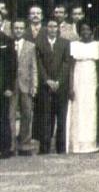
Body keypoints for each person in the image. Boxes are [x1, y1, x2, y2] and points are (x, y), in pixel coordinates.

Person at [36, 20, 70, 154]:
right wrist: (47, 80)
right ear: (46, 28)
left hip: (61, 87)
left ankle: (61, 148)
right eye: (49, 26)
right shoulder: (39, 43)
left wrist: (58, 81)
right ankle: (44, 148)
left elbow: (66, 64)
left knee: (61, 118)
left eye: (54, 26)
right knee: (46, 118)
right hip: (45, 86)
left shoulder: (65, 43)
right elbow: (39, 64)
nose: (52, 29)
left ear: (58, 28)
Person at [66, 22, 99, 154]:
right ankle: (76, 144)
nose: (86, 31)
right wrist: (70, 86)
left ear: (92, 31)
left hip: (91, 79)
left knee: (90, 109)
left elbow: (98, 67)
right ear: (79, 31)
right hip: (78, 78)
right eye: (83, 29)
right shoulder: (74, 45)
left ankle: (90, 144)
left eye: (88, 29)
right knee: (78, 109)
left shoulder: (96, 45)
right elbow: (71, 67)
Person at [11, 21, 38, 156]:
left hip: (26, 84)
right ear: (12, 29)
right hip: (11, 85)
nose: (18, 30)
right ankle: (10, 146)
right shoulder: (8, 43)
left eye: (21, 28)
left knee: (27, 115)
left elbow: (33, 67)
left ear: (24, 30)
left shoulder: (30, 46)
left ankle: (25, 145)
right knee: (10, 116)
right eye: (16, 28)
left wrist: (34, 85)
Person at [0, 28, 15, 158]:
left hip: (2, 87)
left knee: (3, 118)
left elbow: (12, 65)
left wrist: (9, 87)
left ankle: (5, 148)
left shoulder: (7, 40)